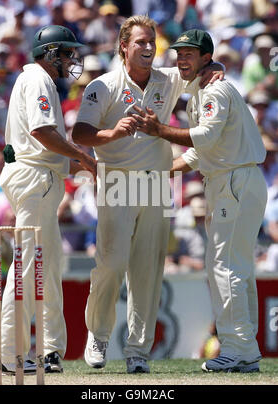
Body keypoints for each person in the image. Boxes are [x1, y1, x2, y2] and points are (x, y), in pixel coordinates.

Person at [72, 16, 224, 374]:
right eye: (140, 42)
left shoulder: (167, 79)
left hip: (155, 183)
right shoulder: (103, 85)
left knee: (148, 270)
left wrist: (214, 65)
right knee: (111, 262)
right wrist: (111, 134)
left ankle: (138, 350)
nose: (147, 48)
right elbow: (80, 133)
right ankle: (98, 334)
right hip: (116, 180)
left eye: (151, 42)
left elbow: (195, 66)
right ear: (124, 46)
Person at [132, 29, 267, 373]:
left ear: (207, 57)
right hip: (233, 180)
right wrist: (166, 171)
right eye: (179, 53)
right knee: (234, 266)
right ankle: (244, 348)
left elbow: (204, 138)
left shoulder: (214, 90)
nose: (182, 58)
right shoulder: (202, 91)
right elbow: (198, 151)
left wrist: (158, 130)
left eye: (190, 53)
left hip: (233, 182)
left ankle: (238, 349)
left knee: (226, 267)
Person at [0, 25, 96, 375]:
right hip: (34, 180)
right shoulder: (38, 79)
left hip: (40, 177)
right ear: (51, 51)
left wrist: (88, 167)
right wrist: (84, 158)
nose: (72, 59)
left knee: (49, 265)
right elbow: (43, 134)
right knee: (27, 269)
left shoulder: (40, 81)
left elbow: (45, 149)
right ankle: (10, 353)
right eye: (67, 52)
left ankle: (51, 350)